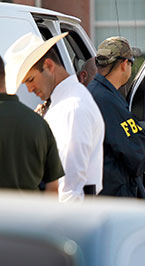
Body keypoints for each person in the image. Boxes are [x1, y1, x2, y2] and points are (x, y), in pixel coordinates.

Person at [4, 32, 105, 202]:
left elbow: (68, 187)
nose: (29, 89)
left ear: (49, 66)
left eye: (30, 79)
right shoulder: (65, 104)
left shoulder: (72, 108)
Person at [88, 37, 145, 198]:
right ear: (125, 64)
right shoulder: (106, 100)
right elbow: (138, 153)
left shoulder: (94, 92)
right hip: (114, 196)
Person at [0, 54, 64, 192]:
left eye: (30, 79)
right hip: (29, 212)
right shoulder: (39, 124)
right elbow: (53, 188)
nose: (29, 89)